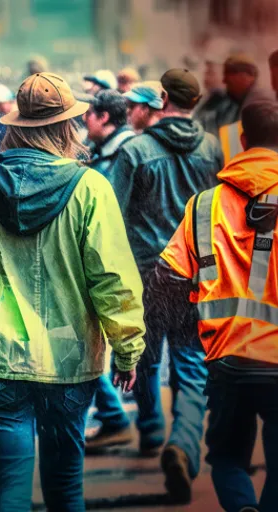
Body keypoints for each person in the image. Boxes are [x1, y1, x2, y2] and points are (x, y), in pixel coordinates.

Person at [0, 71, 146, 512]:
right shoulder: (91, 189)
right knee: (66, 488)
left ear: (15, 125)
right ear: (68, 125)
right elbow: (114, 282)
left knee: (9, 490)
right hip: (71, 363)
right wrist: (127, 351)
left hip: (0, 359)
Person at [151, 100, 278, 512]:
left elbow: (166, 276)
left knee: (226, 460)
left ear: (241, 141)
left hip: (225, 357)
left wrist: (164, 336)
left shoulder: (203, 206)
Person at [109, 69, 224, 504]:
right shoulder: (213, 148)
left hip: (145, 275)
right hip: (198, 274)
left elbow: (113, 217)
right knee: (192, 365)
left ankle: (152, 431)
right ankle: (185, 442)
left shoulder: (135, 150)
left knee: (145, 356)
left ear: (162, 98)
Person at [81, 88, 136, 449]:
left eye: (89, 113)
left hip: (113, 261)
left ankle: (120, 418)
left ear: (103, 117)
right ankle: (121, 417)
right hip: (113, 259)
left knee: (90, 344)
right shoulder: (106, 152)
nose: (84, 120)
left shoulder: (123, 154)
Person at [84, 89, 135, 176]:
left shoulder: (126, 155)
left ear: (103, 117)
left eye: (88, 113)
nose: (84, 118)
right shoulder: (102, 148)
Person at [194, 58, 237, 136]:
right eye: (206, 72)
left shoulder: (229, 104)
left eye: (210, 73)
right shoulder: (206, 99)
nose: (205, 77)